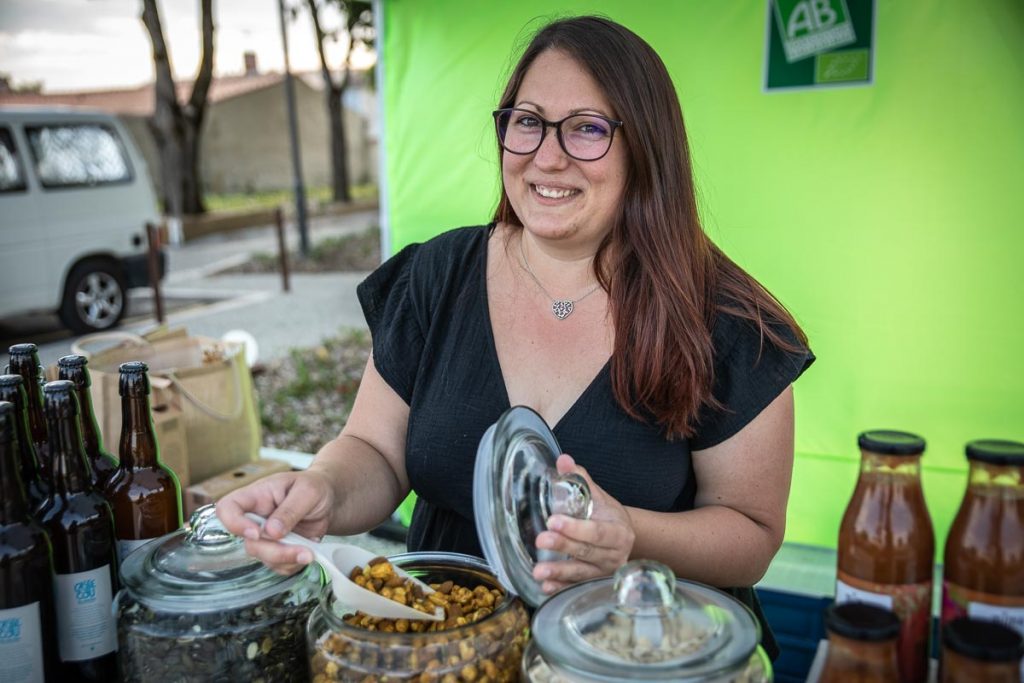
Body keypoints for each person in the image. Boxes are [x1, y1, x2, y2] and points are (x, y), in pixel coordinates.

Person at [218, 15, 813, 657]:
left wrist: (630, 535)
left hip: (633, 659)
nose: (546, 156)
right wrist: (323, 490)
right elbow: (375, 449)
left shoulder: (727, 320)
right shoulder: (436, 276)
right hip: (448, 650)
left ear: (647, 149)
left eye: (587, 128)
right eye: (527, 122)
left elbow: (751, 536)